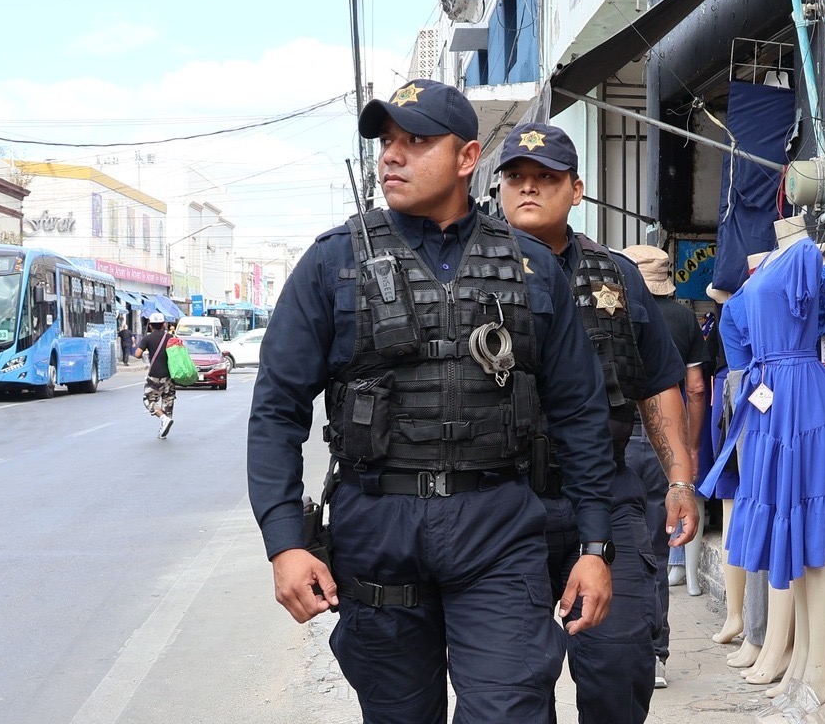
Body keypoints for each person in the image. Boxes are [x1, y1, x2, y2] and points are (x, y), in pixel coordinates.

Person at [248, 80, 619, 724]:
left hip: (498, 528)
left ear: (468, 158)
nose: (393, 155)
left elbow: (580, 412)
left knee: (510, 711)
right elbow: (277, 408)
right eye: (388, 141)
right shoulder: (333, 263)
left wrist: (595, 545)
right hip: (378, 529)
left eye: (416, 140)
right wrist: (285, 541)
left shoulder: (531, 268)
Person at [495, 122, 697, 723]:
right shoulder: (469, 275)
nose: (529, 189)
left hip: (606, 494)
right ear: (499, 188)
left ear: (576, 189)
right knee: (514, 690)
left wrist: (681, 480)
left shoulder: (616, 275)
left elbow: (658, 383)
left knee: (619, 670)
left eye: (546, 178)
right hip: (505, 505)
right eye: (517, 178)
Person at [620, 243, 710, 689]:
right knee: (655, 552)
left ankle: (616, 647)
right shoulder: (682, 317)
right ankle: (655, 651)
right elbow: (695, 388)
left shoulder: (613, 310)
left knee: (609, 545)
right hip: (664, 446)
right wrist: (687, 451)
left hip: (618, 442)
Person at [133, 312, 176, 438]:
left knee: (148, 399)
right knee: (168, 401)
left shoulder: (147, 338)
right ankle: (164, 426)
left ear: (150, 326)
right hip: (170, 375)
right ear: (164, 325)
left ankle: (163, 418)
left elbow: (137, 354)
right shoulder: (170, 337)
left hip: (155, 375)